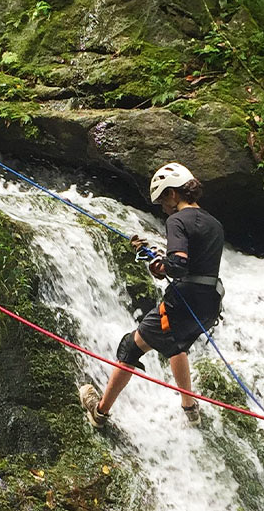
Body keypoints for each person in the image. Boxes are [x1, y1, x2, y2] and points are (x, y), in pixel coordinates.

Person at [79, 162, 225, 428]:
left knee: (130, 346)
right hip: (209, 306)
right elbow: (195, 264)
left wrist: (160, 263)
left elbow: (179, 264)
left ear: (173, 193)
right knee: (175, 344)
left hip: (183, 303)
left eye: (163, 201)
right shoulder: (215, 224)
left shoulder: (177, 220)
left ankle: (99, 412)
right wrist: (160, 261)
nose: (163, 207)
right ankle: (190, 410)